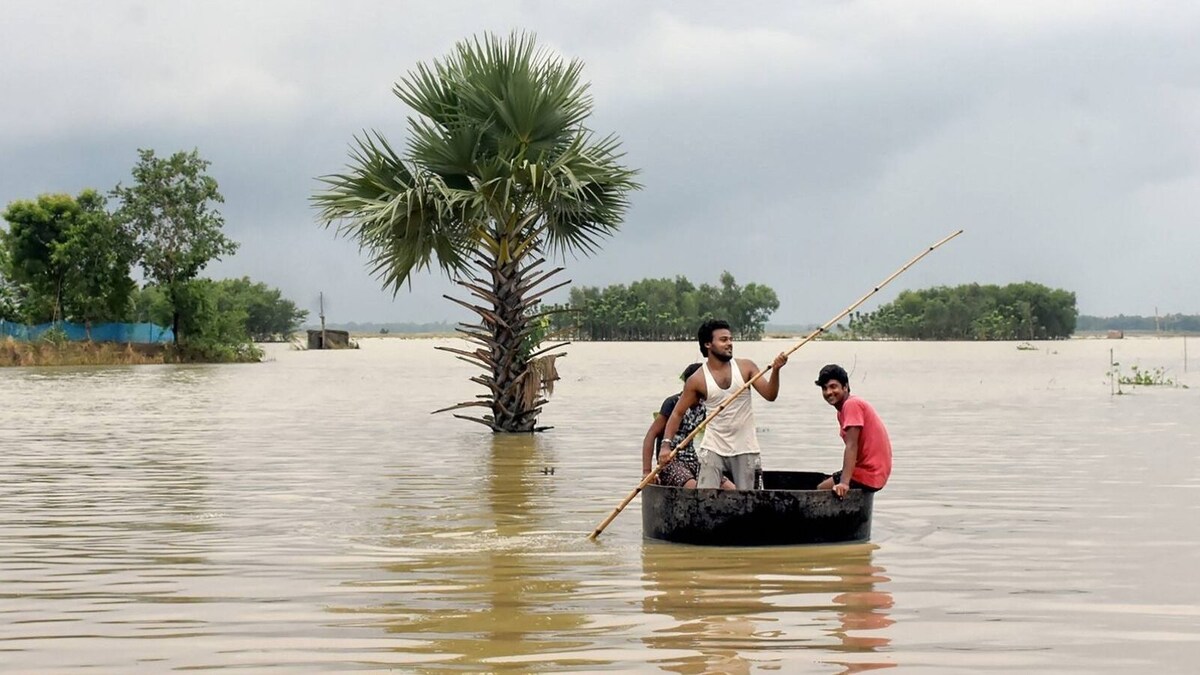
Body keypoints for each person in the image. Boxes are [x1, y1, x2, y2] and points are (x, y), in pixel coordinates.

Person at [661, 319, 788, 490]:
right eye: (723, 340)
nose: (729, 344)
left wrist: (776, 370)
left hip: (746, 447)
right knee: (705, 498)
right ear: (708, 344)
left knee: (748, 500)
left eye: (730, 339)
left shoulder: (746, 367)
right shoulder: (697, 379)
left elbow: (770, 395)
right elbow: (677, 413)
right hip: (713, 447)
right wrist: (666, 445)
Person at [814, 364, 892, 498]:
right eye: (824, 388)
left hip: (870, 472)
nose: (828, 392)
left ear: (845, 387)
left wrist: (844, 483)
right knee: (825, 482)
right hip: (871, 471)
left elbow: (852, 445)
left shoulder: (851, 405)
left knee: (820, 490)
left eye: (833, 387)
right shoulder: (842, 411)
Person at [641, 363, 707, 487]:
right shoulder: (673, 403)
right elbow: (651, 434)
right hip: (670, 463)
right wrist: (647, 472)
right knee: (694, 488)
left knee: (728, 487)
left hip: (692, 461)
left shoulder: (704, 406)